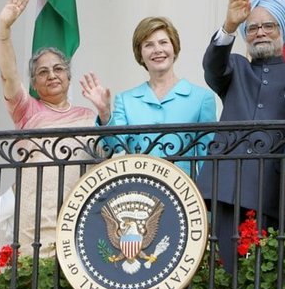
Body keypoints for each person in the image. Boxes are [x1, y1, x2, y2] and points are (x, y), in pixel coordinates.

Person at [196, 0, 285, 273]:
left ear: (282, 30)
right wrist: (230, 25)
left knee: (268, 273)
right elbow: (212, 67)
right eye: (252, 27)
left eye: (269, 25)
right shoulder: (236, 68)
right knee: (226, 270)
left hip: (274, 189)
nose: (260, 32)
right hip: (228, 185)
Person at [0, 0, 96, 256]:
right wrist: (3, 30)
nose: (52, 75)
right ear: (34, 83)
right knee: (35, 285)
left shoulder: (88, 115)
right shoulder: (27, 110)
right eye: (43, 72)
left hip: (80, 215)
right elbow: (9, 74)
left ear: (68, 76)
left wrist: (106, 114)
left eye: (58, 68)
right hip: (35, 216)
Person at [80, 16, 216, 175]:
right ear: (140, 54)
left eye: (163, 42)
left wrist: (203, 198)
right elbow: (114, 146)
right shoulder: (125, 100)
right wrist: (104, 113)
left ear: (174, 48)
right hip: (138, 191)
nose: (157, 50)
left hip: (183, 194)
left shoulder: (202, 98)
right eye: (148, 45)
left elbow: (207, 159)